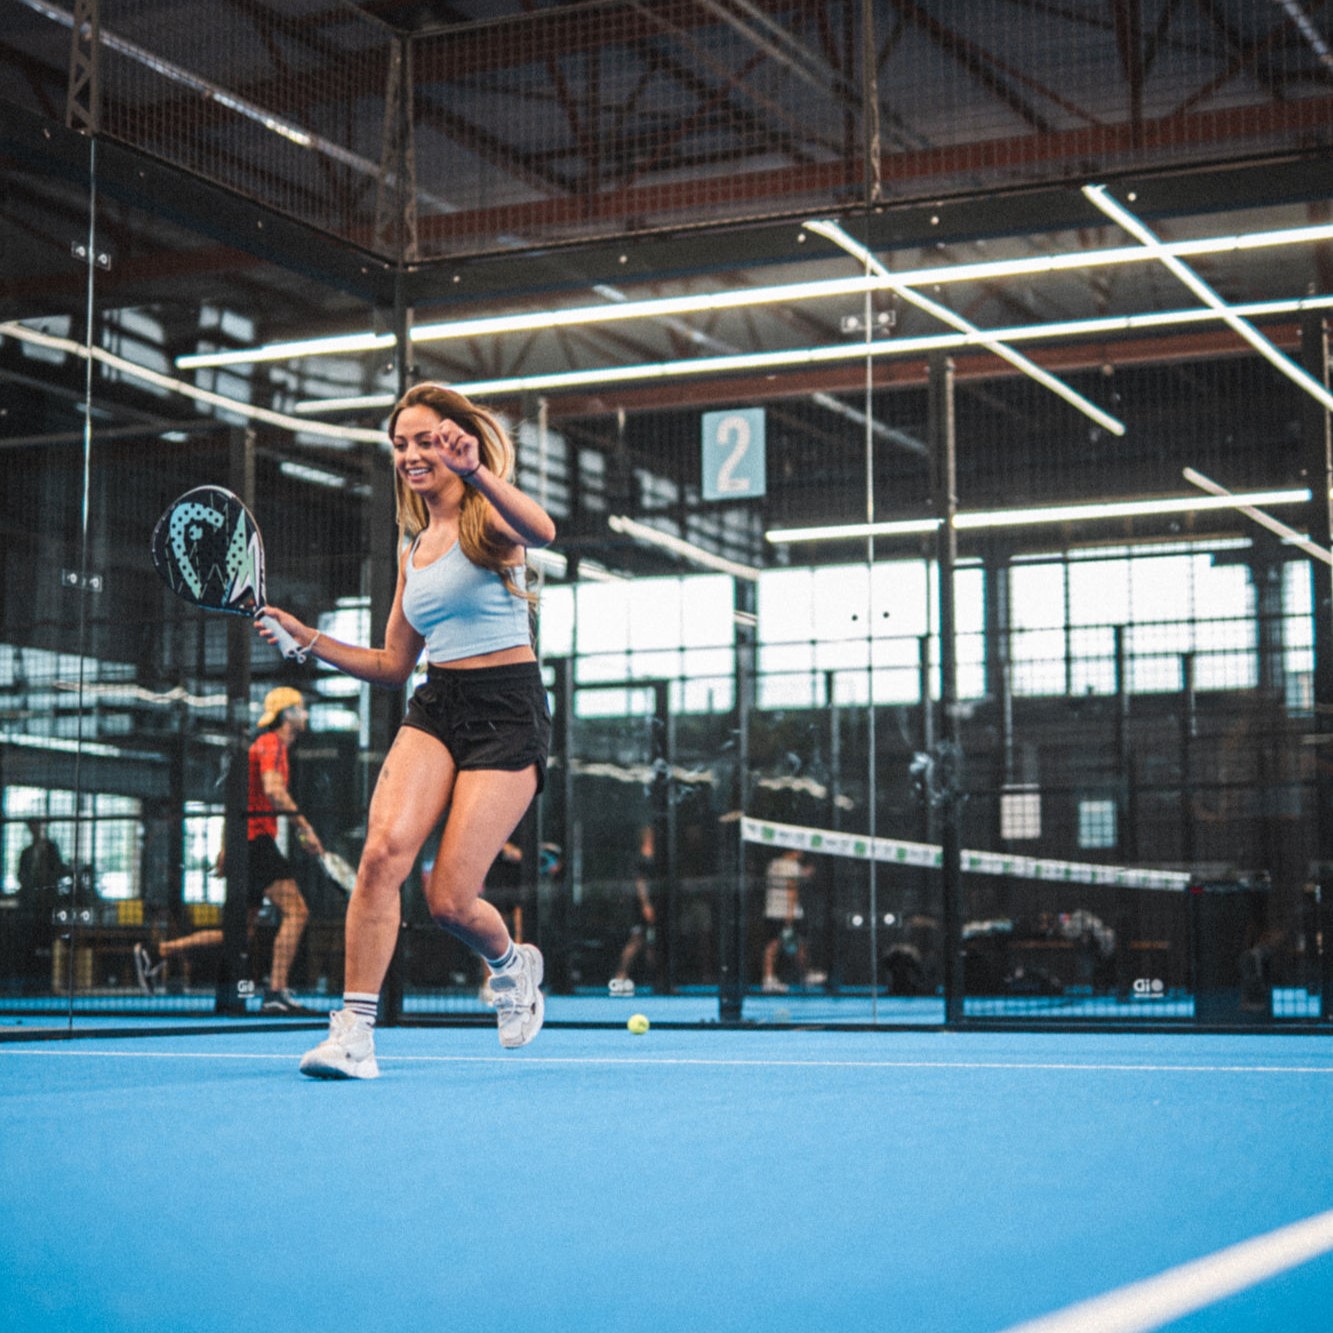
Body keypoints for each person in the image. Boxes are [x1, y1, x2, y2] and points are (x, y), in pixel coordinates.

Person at [258, 381, 556, 1080]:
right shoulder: (412, 547)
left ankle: (512, 964)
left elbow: (543, 531)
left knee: (449, 900)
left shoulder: (488, 519)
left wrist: (478, 469)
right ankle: (354, 1035)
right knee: (382, 854)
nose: (412, 454)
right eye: (400, 444)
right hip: (437, 702)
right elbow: (394, 664)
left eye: (425, 439)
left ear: (457, 441)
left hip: (507, 710)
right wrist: (312, 639)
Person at [133, 686, 324, 1014]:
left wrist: (227, 849)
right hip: (258, 841)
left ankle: (157, 951)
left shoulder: (260, 746)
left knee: (238, 932)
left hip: (243, 844)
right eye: (301, 709)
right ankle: (276, 992)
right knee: (297, 912)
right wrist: (305, 829)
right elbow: (274, 790)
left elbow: (236, 802)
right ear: (287, 714)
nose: (305, 715)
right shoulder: (271, 744)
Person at [760, 847, 820, 993]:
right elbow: (792, 889)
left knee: (774, 944)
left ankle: (768, 979)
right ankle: (806, 975)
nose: (801, 853)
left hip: (772, 910)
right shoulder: (793, 866)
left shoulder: (773, 864)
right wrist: (790, 914)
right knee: (797, 944)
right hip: (788, 913)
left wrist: (803, 873)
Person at [609, 824, 657, 997]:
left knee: (647, 941)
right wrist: (646, 905)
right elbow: (640, 883)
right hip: (640, 907)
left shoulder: (654, 856)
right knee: (637, 939)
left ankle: (655, 977)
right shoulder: (641, 858)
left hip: (653, 904)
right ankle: (620, 976)